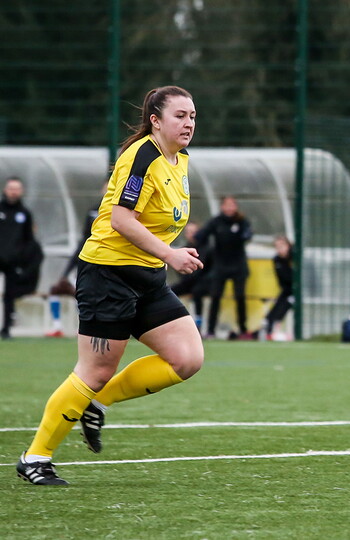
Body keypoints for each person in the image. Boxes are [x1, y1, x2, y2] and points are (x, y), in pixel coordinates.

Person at [16, 86, 204, 485]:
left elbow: (156, 220)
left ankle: (97, 405)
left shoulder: (180, 159)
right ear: (155, 120)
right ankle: (35, 458)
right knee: (94, 372)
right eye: (179, 116)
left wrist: (168, 250)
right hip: (108, 275)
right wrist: (171, 255)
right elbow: (121, 220)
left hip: (148, 276)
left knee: (187, 358)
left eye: (192, 116)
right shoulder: (142, 156)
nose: (188, 123)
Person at [45, 180, 107, 337]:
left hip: (109, 263)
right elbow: (85, 239)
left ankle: (96, 326)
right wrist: (66, 274)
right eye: (106, 187)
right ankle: (60, 326)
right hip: (89, 262)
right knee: (58, 290)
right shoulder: (94, 210)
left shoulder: (122, 210)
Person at [195, 195, 253, 339]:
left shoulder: (241, 221)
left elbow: (248, 234)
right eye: (226, 205)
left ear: (236, 207)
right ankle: (211, 331)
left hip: (239, 265)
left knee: (240, 296)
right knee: (215, 297)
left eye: (232, 205)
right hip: (220, 265)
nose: (229, 208)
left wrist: (245, 235)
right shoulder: (216, 222)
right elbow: (200, 236)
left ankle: (243, 330)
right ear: (222, 207)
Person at [0, 176, 44, 339]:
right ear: (5, 190)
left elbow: (29, 240)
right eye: (11, 188)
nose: (13, 192)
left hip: (12, 262)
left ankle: (6, 329)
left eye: (17, 188)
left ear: (21, 191)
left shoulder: (24, 213)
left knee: (9, 296)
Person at [170, 222, 211, 329]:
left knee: (197, 292)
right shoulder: (184, 248)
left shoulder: (207, 249)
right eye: (189, 232)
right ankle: (172, 322)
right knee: (169, 292)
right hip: (188, 282)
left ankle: (198, 323)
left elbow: (207, 270)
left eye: (194, 232)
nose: (192, 234)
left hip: (203, 283)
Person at [259, 234, 293, 340]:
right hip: (286, 291)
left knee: (285, 305)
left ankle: (276, 328)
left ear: (288, 246)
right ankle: (269, 331)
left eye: (282, 245)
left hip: (297, 292)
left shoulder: (295, 257)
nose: (280, 249)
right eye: (277, 246)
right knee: (273, 312)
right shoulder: (277, 260)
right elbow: (282, 280)